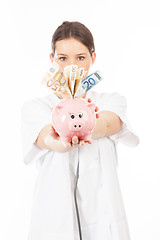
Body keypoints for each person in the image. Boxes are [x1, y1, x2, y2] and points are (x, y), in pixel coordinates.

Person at [21, 21, 139, 240]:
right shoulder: (35, 108)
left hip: (104, 217)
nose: (71, 66)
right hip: (54, 219)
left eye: (81, 58)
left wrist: (78, 112)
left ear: (93, 58)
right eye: (63, 58)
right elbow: (46, 138)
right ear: (52, 60)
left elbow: (106, 125)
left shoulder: (112, 101)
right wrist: (60, 142)